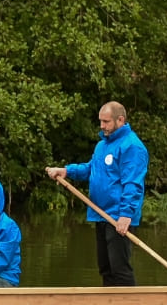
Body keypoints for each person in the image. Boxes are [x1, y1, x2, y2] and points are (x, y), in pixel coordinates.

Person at [45, 101, 149, 286]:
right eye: (100, 121)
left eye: (106, 122)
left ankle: (128, 303)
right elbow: (91, 168)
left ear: (120, 120)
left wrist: (126, 214)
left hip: (118, 216)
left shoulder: (132, 146)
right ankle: (110, 303)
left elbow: (133, 183)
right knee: (105, 267)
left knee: (119, 268)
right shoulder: (102, 145)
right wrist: (67, 171)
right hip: (101, 213)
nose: (102, 126)